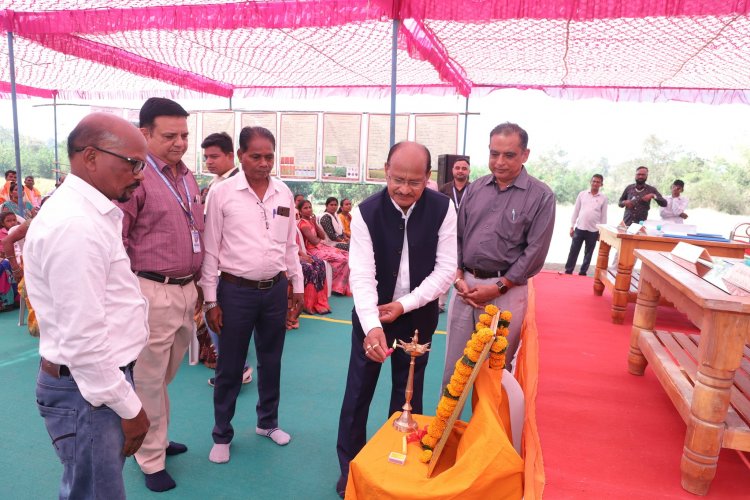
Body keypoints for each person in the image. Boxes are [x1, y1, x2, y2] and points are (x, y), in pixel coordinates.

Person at [23, 113, 150, 499]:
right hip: (90, 391)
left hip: (92, 387)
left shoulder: (88, 214)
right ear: (91, 157)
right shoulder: (76, 225)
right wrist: (129, 407)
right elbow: (84, 340)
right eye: (132, 163)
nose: (140, 174)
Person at [335, 141, 457, 497]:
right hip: (371, 314)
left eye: (414, 182)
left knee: (409, 396)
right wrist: (372, 325)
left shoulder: (443, 208)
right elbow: (361, 275)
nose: (404, 189)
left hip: (417, 314)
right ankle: (351, 470)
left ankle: (400, 464)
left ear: (428, 178)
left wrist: (405, 304)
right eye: (397, 179)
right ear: (386, 170)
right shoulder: (365, 212)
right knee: (357, 394)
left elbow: (446, 268)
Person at [200, 126, 304, 464]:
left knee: (271, 360)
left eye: (269, 156)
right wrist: (211, 299)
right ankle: (221, 434)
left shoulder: (284, 193)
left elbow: (289, 245)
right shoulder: (223, 193)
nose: (263, 163)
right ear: (241, 156)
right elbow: (211, 250)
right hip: (234, 292)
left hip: (274, 290)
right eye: (255, 156)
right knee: (230, 365)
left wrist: (297, 286)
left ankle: (267, 422)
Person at [117, 97, 204, 492]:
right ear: (144, 134)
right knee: (149, 378)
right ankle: (150, 458)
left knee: (163, 376)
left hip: (187, 290)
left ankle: (159, 437)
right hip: (150, 289)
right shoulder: (134, 179)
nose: (180, 143)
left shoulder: (186, 176)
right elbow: (116, 242)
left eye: (185, 134)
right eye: (170, 135)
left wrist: (201, 286)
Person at [443, 122, 555, 386]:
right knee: (454, 368)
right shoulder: (476, 188)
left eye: (509, 155)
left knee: (496, 371)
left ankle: (488, 427)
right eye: (494, 154)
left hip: (507, 290)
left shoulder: (541, 196)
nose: (500, 162)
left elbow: (535, 251)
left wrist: (498, 287)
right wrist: (458, 275)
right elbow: (458, 236)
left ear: (525, 154)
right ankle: (446, 427)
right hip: (464, 289)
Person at [200, 131, 253, 388]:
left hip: (228, 265)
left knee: (220, 319)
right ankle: (233, 365)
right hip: (218, 263)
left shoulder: (235, 184)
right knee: (219, 318)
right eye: (206, 157)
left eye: (214, 156)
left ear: (232, 156)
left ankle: (237, 368)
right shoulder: (217, 182)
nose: (209, 161)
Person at [297, 199, 351, 296]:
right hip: (312, 250)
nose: (309, 209)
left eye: (310, 207)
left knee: (347, 255)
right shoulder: (303, 224)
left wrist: (314, 224)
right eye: (305, 208)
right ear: (300, 211)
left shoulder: (311, 221)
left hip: (321, 247)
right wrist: (320, 241)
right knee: (343, 259)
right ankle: (336, 287)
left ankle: (340, 287)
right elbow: (314, 241)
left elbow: (321, 236)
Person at [438, 157, 471, 311]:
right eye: (457, 168)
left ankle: (466, 297)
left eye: (464, 168)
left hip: (468, 234)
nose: (460, 171)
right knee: (445, 265)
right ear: (452, 170)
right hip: (447, 233)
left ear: (469, 171)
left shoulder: (474, 189)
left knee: (465, 267)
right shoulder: (443, 189)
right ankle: (439, 303)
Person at [564, 174, 607, 276]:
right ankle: (568, 270)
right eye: (594, 181)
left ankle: (583, 272)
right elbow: (576, 210)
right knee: (573, 250)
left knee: (588, 253)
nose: (595, 183)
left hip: (593, 231)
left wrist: (601, 232)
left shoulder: (603, 198)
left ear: (601, 184)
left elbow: (603, 216)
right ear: (590, 182)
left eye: (598, 182)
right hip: (580, 228)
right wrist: (572, 225)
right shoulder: (582, 194)